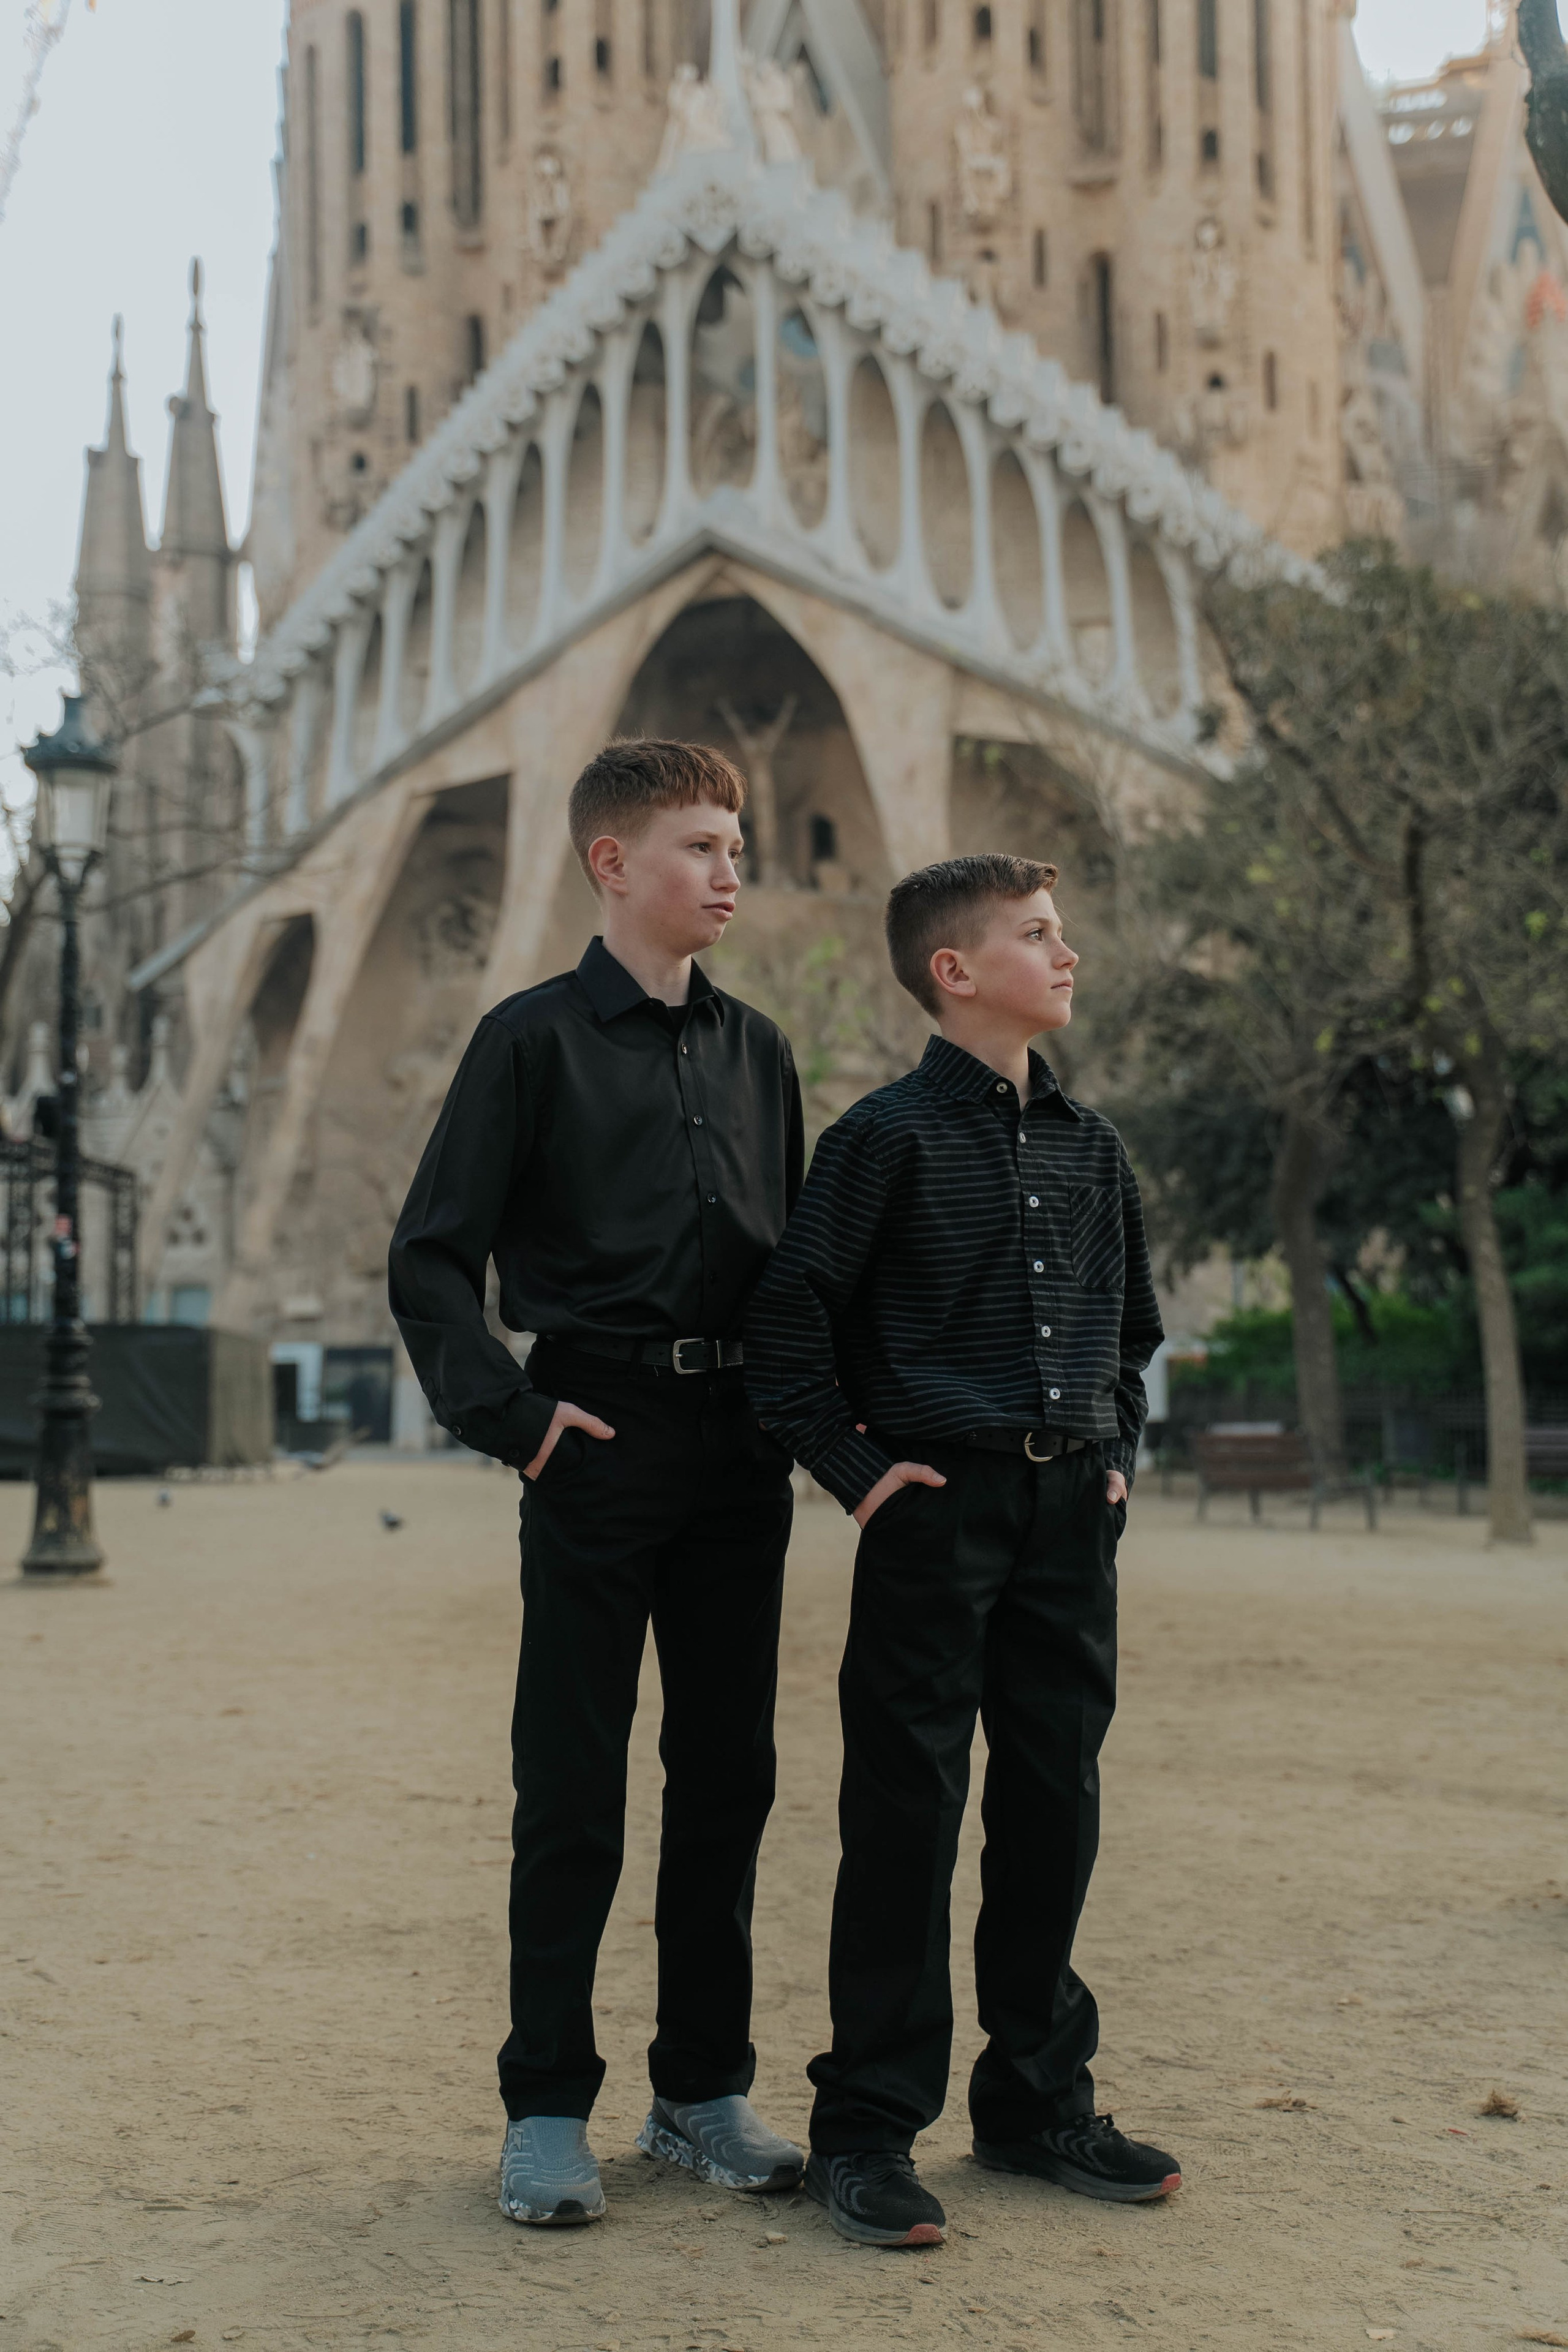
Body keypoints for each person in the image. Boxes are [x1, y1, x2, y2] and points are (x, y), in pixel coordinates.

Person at [390, 740, 806, 2229]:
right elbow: (431, 1255)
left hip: (736, 1450)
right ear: (612, 863)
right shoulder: (525, 1040)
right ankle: (545, 2109)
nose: (728, 869)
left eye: (733, 842)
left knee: (728, 1781)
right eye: (698, 844)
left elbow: (795, 1273)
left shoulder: (760, 1050)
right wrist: (517, 1419)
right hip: (595, 1434)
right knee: (569, 1785)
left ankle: (698, 2093)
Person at [744, 853, 1180, 2250]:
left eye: (1062, 934)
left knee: (1053, 1807)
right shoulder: (879, 1140)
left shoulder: (1094, 1147)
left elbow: (1131, 1334)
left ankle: (1035, 2103)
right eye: (1037, 937)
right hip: (935, 1518)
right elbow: (788, 1326)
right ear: (953, 969)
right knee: (905, 1819)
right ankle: (866, 2130)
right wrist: (865, 1480)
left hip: (1068, 1525)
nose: (1066, 958)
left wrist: (1114, 1452)